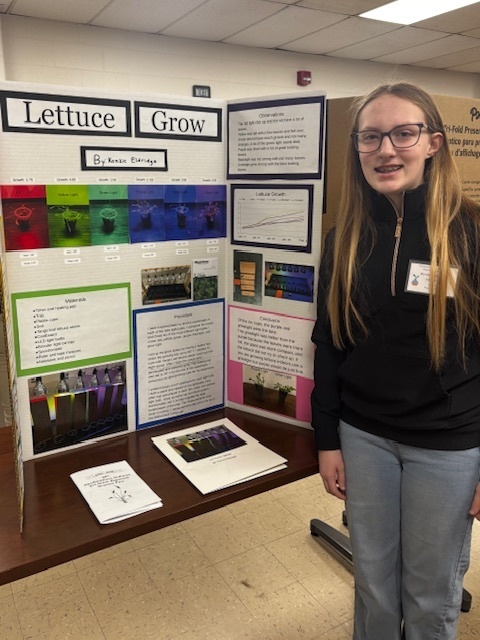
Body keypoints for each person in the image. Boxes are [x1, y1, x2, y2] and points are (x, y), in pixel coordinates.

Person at [311, 81, 480, 640]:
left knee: (430, 597)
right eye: (370, 137)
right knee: (375, 587)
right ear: (356, 150)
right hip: (365, 438)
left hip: (448, 443)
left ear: (433, 143)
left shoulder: (472, 234)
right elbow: (331, 343)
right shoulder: (344, 239)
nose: (386, 150)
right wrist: (328, 438)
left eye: (403, 133)